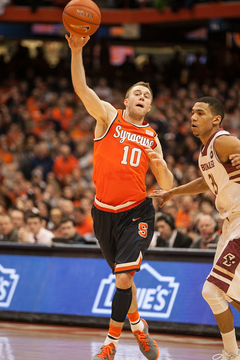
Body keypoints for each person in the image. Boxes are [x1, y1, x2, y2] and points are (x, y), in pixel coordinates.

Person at [66, 34, 173, 360]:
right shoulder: (108, 117)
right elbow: (83, 89)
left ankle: (110, 344)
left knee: (125, 275)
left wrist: (159, 165)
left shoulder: (152, 136)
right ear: (126, 102)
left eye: (147, 95)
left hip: (137, 211)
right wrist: (77, 49)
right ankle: (139, 326)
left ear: (149, 107)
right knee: (122, 278)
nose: (142, 96)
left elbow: (166, 185)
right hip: (103, 211)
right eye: (136, 93)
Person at [150, 96, 240, 360]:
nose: (193, 117)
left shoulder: (223, 140)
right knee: (230, 295)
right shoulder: (205, 151)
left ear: (216, 120)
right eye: (191, 112)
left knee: (211, 290)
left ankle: (232, 354)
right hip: (230, 223)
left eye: (200, 113)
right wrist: (172, 192)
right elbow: (206, 181)